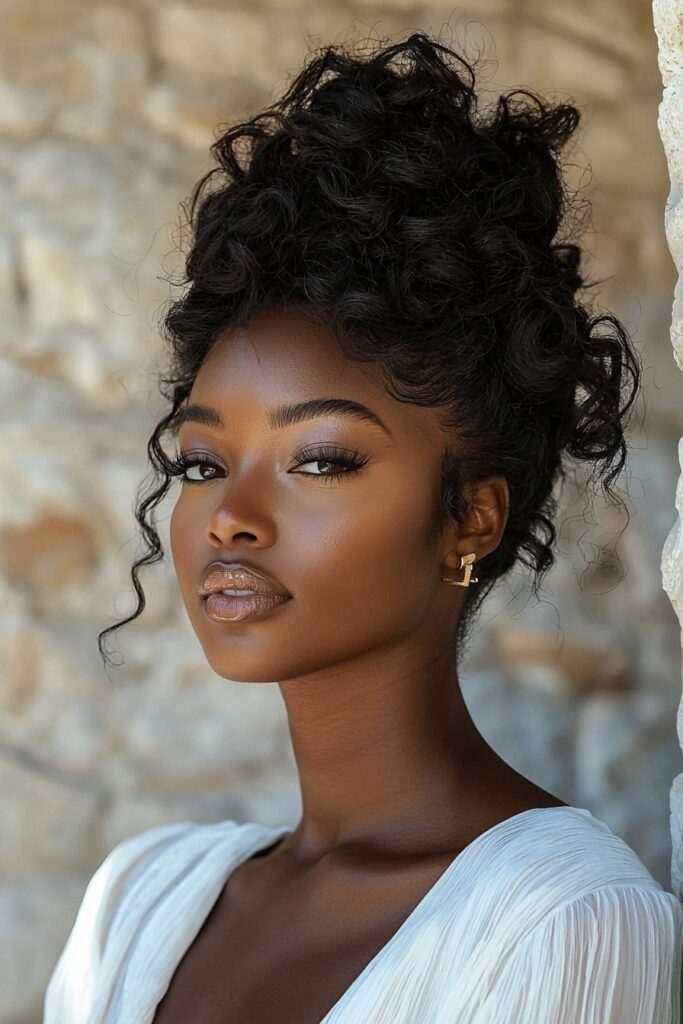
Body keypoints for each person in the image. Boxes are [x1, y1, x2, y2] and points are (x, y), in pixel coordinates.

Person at [43, 29, 682, 1024]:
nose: (232, 518)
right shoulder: (137, 901)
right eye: (204, 463)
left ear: (467, 516)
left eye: (320, 461)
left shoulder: (557, 923)